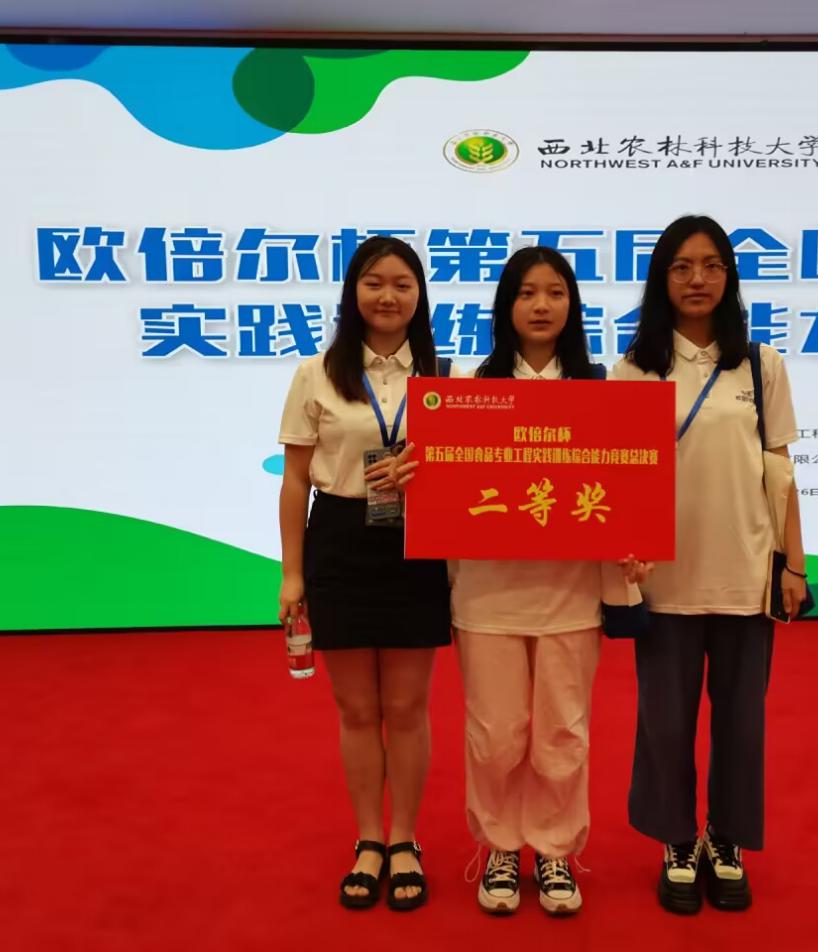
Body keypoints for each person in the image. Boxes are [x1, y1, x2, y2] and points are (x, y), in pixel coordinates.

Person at [386, 247, 647, 916]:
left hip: (570, 594)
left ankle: (555, 850)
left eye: (554, 292)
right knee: (495, 732)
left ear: (572, 306)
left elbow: (628, 488)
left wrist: (637, 538)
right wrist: (414, 478)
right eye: (526, 293)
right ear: (505, 307)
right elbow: (432, 487)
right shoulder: (465, 389)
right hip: (488, 594)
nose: (540, 305)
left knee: (562, 732)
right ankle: (500, 846)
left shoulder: (600, 391)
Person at [612, 215, 808, 914]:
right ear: (660, 279)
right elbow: (619, 474)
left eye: (711, 265)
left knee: (741, 723)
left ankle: (726, 840)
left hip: (744, 572)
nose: (697, 279)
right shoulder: (633, 367)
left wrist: (793, 566)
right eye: (681, 267)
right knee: (664, 724)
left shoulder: (760, 364)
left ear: (729, 276)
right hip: (664, 578)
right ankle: (675, 839)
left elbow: (779, 469)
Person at [276, 235, 451, 912]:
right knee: (356, 709)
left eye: (402, 284)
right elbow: (295, 482)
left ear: (419, 296)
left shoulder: (446, 374)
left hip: (418, 544)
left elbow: (469, 469)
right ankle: (369, 840)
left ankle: (405, 839)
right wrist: (292, 576)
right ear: (352, 293)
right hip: (340, 541)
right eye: (374, 282)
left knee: (406, 708)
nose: (387, 296)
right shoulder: (316, 373)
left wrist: (428, 471)